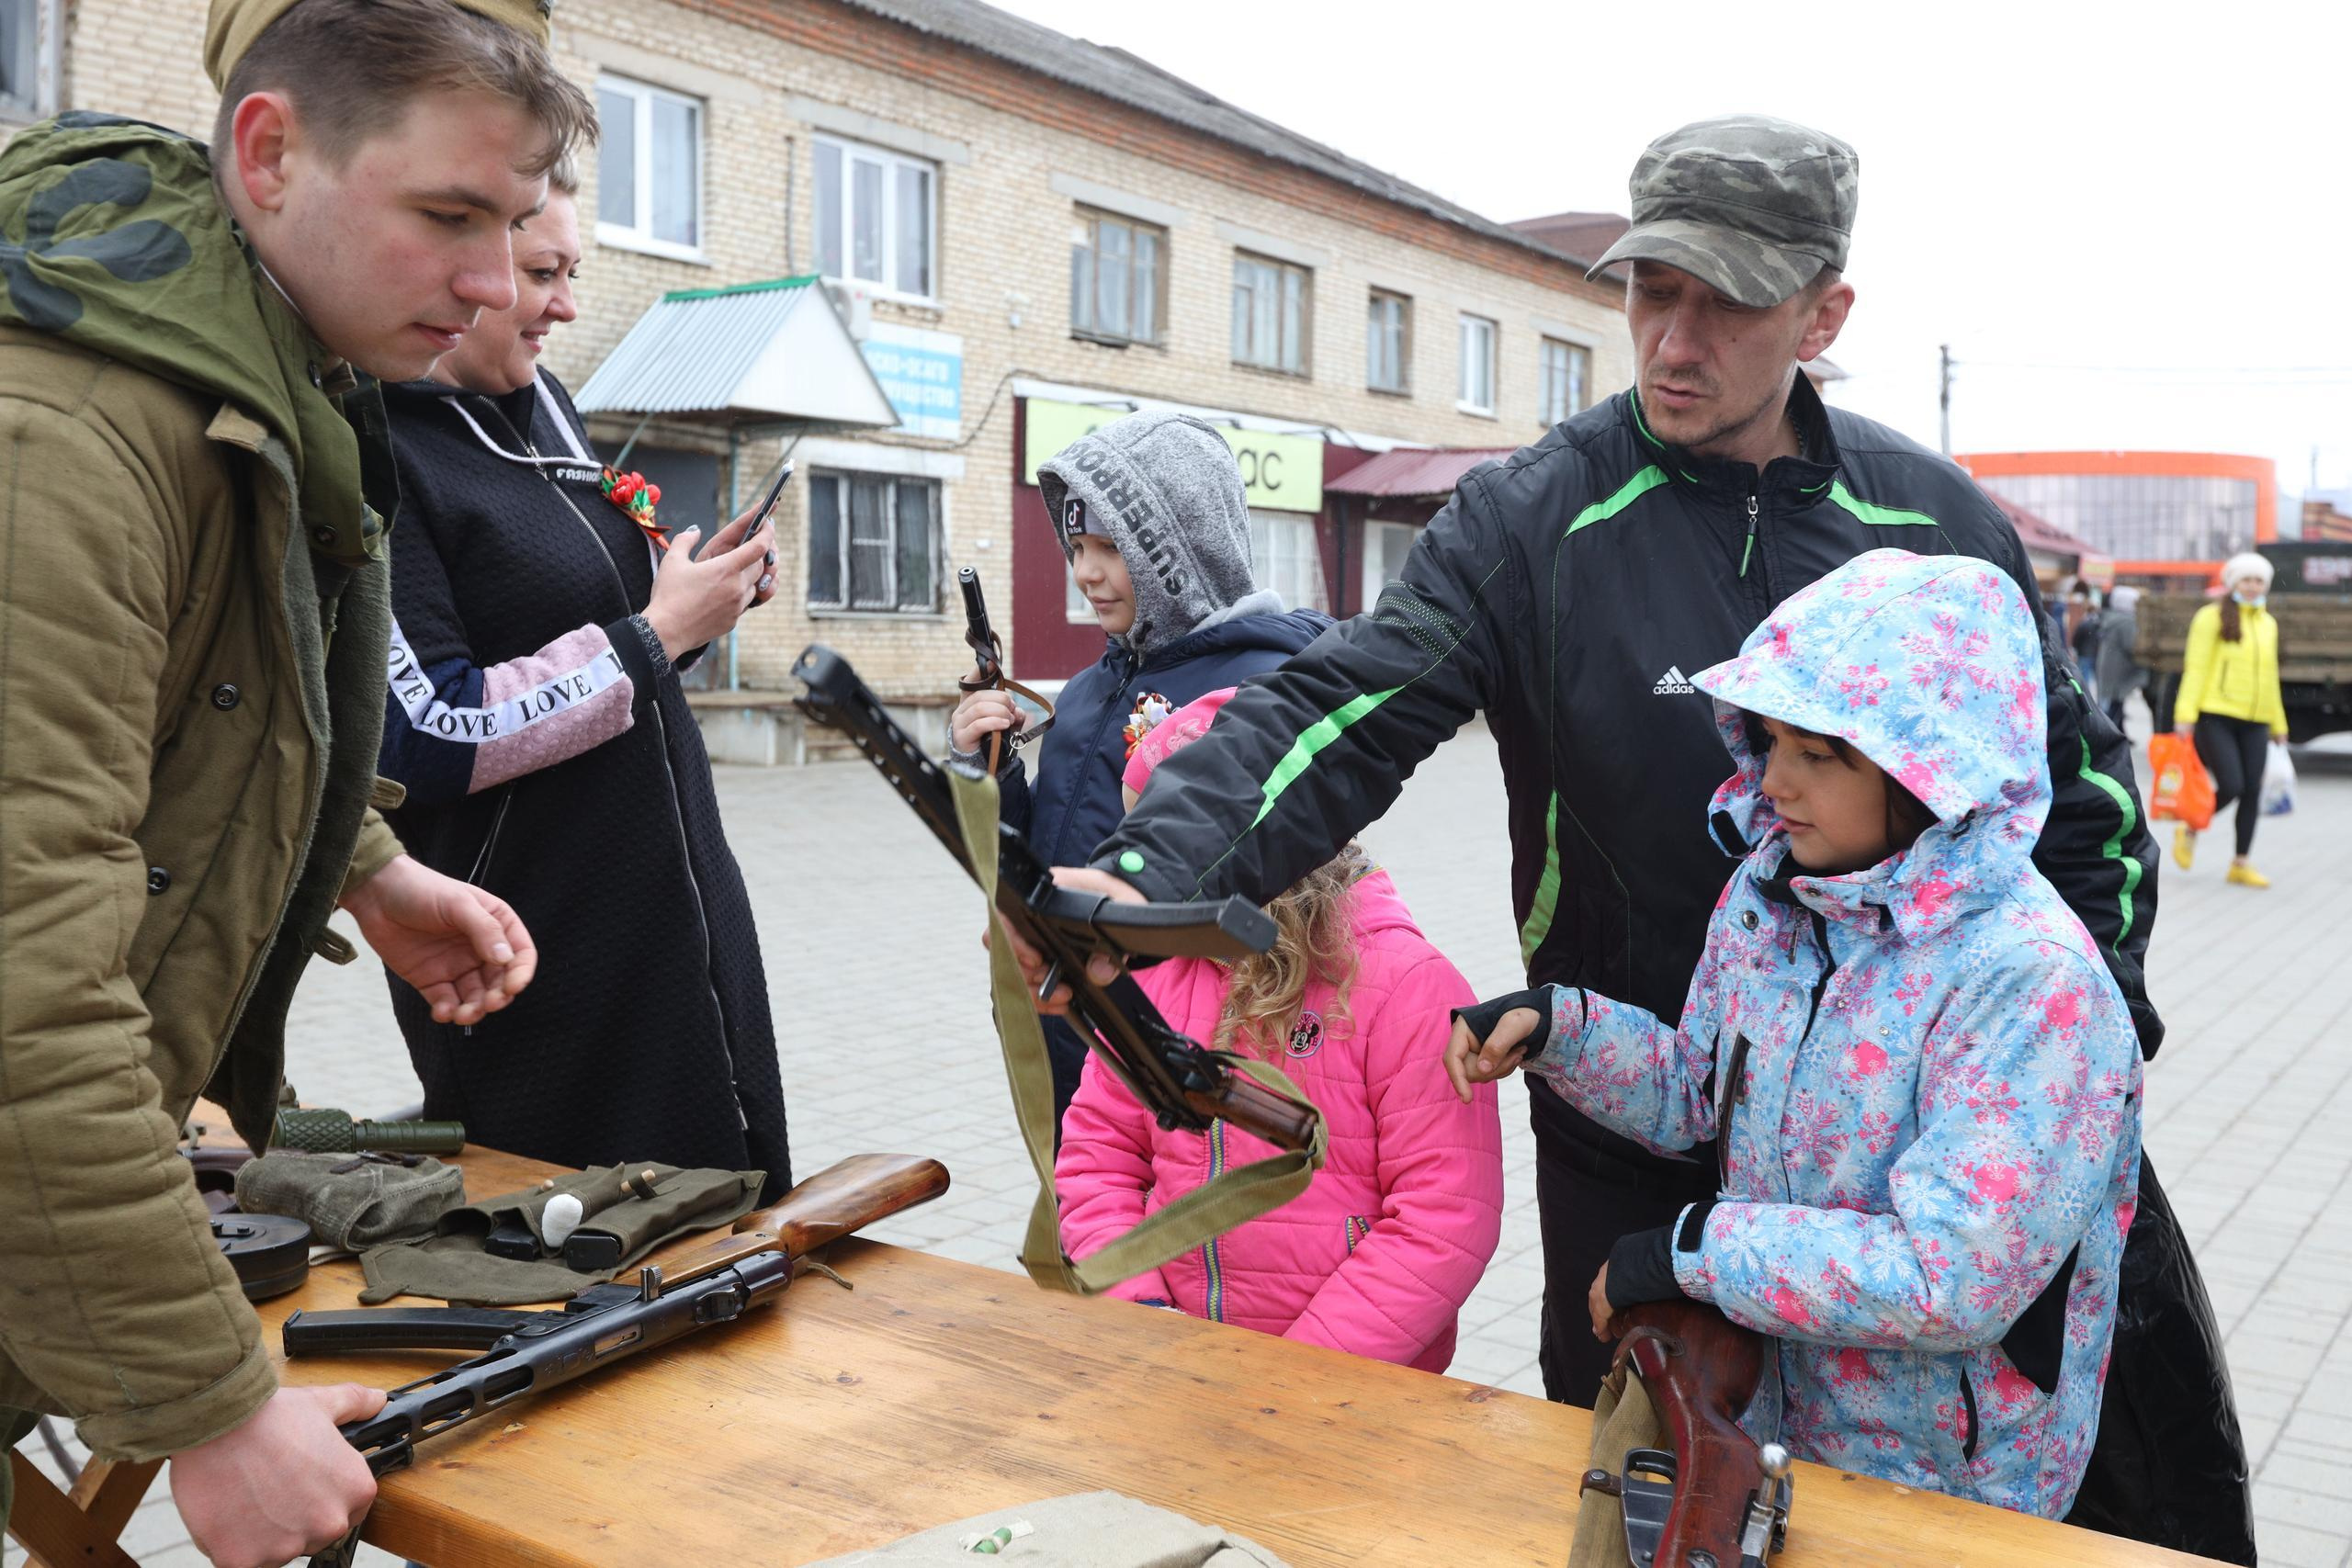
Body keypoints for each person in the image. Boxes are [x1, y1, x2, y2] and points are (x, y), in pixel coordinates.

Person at [1010, 116, 2253, 1562]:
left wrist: (2066, 1077)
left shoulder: (1929, 521)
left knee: (1896, 1519)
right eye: (1650, 290)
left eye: (1723, 302)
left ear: (1824, 311)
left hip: (1905, 1164)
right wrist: (1151, 875)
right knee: (1625, 1504)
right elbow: (1339, 704)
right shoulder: (1536, 517)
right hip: (1638, 1117)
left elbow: (2086, 802)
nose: (1672, 338)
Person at [0, 2, 592, 1562]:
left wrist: (362, 865)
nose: (488, 280)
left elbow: (194, 709)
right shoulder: (62, 438)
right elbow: (17, 982)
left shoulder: (260, 373)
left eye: (515, 223)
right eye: (447, 216)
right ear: (267, 153)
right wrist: (206, 1401)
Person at [1448, 551, 2143, 1520]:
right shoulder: (1775, 897)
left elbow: (1954, 1278)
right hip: (1775, 1428)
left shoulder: (2030, 985)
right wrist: (1558, 1026)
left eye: (1820, 755)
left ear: (1934, 768)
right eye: (1769, 740)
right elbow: (1702, 1090)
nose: (1772, 780)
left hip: (1950, 1479)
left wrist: (1695, 1252)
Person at [371, 160, 793, 1199]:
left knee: (734, 1216)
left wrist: (699, 605)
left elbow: (595, 624)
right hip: (537, 944)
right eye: (546, 272)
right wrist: (656, 637)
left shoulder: (542, 398)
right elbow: (427, 732)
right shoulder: (373, 445)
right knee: (593, 1259)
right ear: (460, 273)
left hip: (681, 910)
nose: (568, 303)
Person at [1056, 689, 1504, 1371]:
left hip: (1349, 1387)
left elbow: (1441, 1219)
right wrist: (1139, 1312)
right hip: (1178, 1367)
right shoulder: (1149, 976)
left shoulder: (1407, 986)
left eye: (1170, 845)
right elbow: (1098, 1156)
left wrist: (1294, 1379)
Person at [949, 410, 1329, 1126]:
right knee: (1083, 1210)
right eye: (1075, 545)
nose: (1083, 571)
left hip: (1186, 1049)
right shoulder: (1094, 687)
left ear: (1181, 550)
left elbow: (1274, 895)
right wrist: (988, 767)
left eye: (1109, 548)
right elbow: (1033, 860)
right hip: (1068, 1027)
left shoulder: (1265, 688)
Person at [2171, 552, 2288, 887]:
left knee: (2252, 789)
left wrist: (2278, 724)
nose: (2253, 587)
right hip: (2216, 715)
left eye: (2259, 581)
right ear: (2233, 583)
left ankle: (2240, 863)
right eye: (2247, 580)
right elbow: (2196, 668)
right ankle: (2191, 826)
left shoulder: (2268, 624)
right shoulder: (2210, 617)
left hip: (2257, 719)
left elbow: (2270, 678)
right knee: (2232, 784)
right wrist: (2185, 716)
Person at [2097, 584, 2148, 732]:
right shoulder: (2126, 621)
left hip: (2109, 669)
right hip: (2118, 672)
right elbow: (2132, 645)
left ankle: (2115, 733)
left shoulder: (2112, 617)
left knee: (2111, 706)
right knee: (2113, 708)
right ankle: (2108, 735)